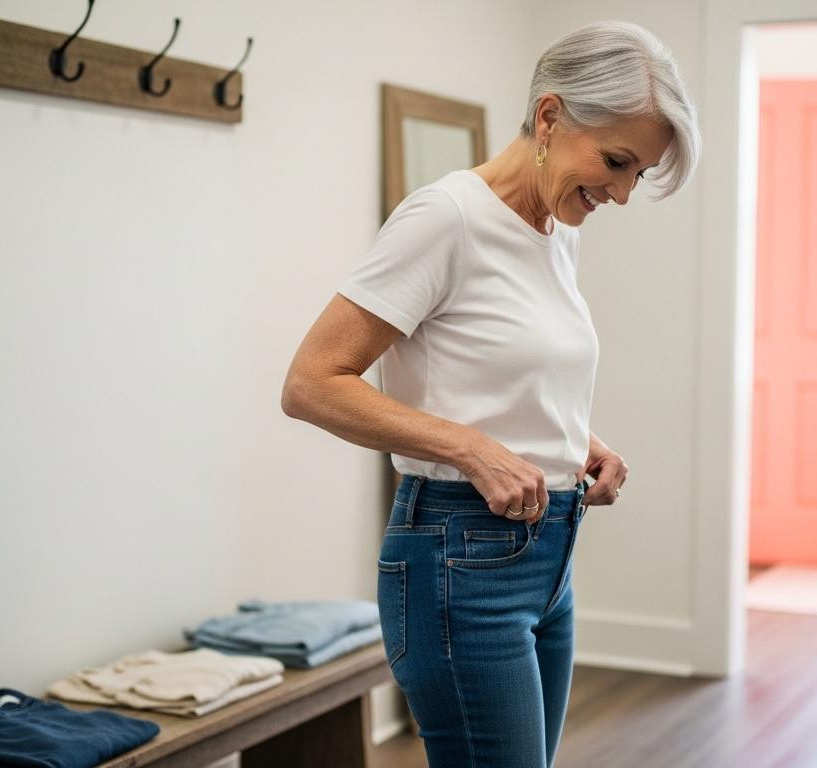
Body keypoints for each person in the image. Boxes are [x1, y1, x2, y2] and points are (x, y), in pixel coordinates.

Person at [280, 20, 700, 767]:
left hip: (550, 557)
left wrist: (578, 441)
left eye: (637, 174)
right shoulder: (447, 219)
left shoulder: (556, 226)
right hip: (457, 563)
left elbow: (502, 371)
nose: (623, 194)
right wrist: (471, 449)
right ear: (549, 116)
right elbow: (312, 383)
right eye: (617, 162)